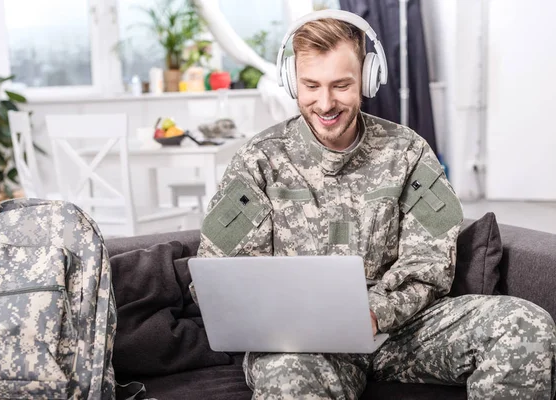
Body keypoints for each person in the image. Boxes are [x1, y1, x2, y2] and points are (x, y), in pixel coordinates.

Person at [192, 10, 556, 400]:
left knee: (526, 323)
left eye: (341, 85)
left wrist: (373, 313)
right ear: (290, 80)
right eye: (310, 85)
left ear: (368, 79)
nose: (325, 102)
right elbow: (219, 275)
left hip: (400, 331)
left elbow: (429, 264)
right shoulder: (258, 161)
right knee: (289, 376)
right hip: (301, 347)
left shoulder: (409, 152)